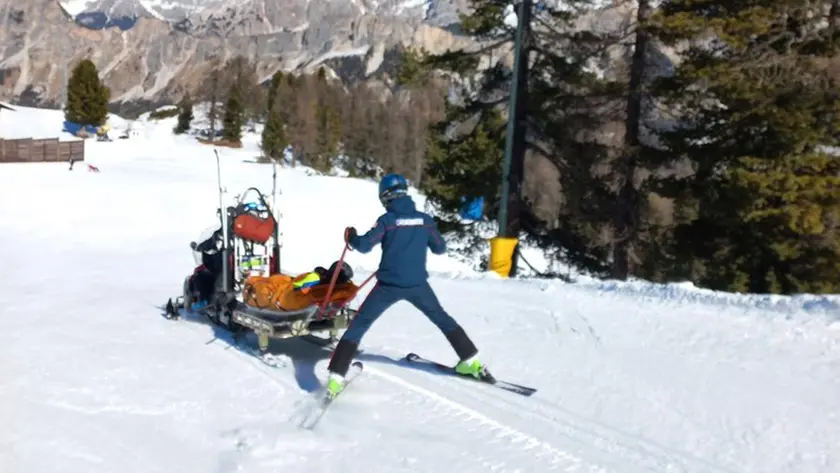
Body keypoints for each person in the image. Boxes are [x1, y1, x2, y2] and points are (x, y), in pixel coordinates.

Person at [325, 173, 489, 398]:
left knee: (359, 325)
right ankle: (471, 361)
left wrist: (351, 237)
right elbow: (440, 248)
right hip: (418, 285)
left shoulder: (387, 221)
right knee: (441, 318)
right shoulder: (424, 220)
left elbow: (364, 246)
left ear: (385, 196)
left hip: (388, 286)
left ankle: (335, 379)